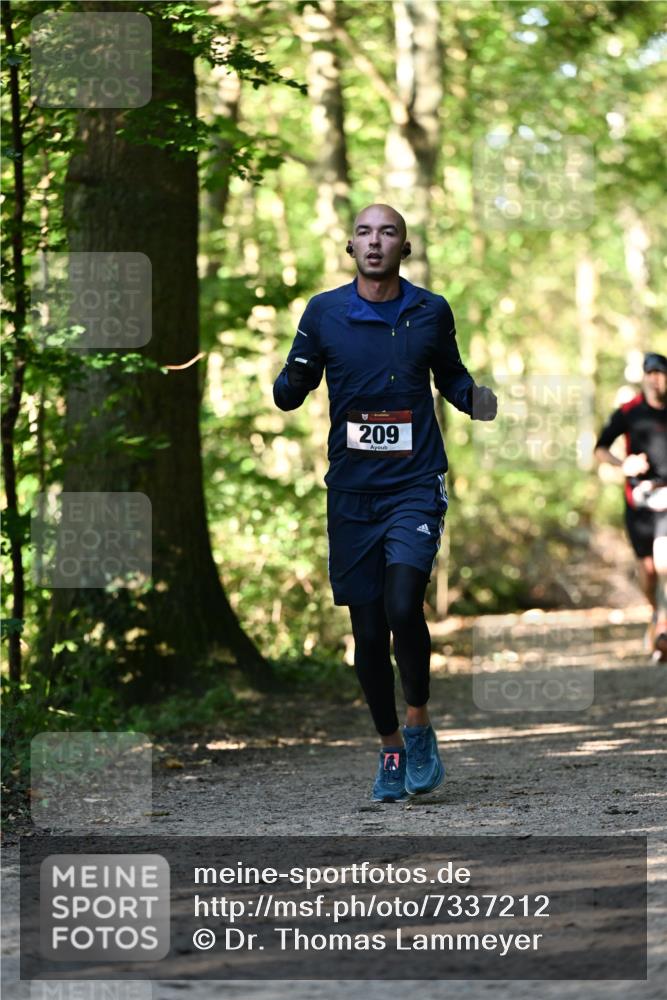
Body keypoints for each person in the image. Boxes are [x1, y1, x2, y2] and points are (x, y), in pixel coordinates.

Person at [273, 203, 497, 801]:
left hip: (414, 484)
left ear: (405, 246)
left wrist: (470, 396)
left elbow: (449, 375)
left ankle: (419, 723)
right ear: (351, 246)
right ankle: (390, 746)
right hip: (351, 491)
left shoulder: (430, 310)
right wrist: (292, 376)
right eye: (365, 232)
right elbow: (289, 392)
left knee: (403, 605)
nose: (376, 242)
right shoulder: (323, 313)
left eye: (388, 232)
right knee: (368, 631)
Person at [594, 352, 667, 661]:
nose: (654, 377)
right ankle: (655, 614)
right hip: (637, 504)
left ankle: (664, 626)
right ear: (643, 377)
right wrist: (624, 465)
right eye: (649, 372)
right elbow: (599, 449)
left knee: (665, 562)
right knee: (648, 572)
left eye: (660, 372)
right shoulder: (629, 412)